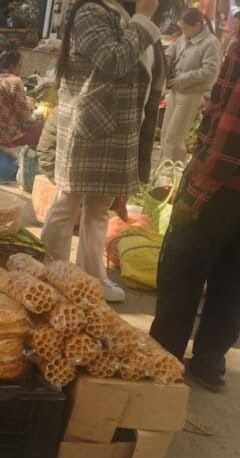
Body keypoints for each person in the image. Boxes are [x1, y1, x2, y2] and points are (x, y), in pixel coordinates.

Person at [40, 0, 163, 304]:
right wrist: (143, 19)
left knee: (98, 210)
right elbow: (114, 60)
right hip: (90, 125)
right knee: (67, 202)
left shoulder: (119, 14)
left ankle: (91, 278)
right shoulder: (90, 12)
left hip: (117, 127)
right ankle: (50, 272)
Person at [149, 38, 240, 392]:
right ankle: (209, 363)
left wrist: (197, 190)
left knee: (181, 269)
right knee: (232, 279)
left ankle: (164, 360)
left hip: (221, 187)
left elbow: (231, 132)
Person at [160, 8, 220, 164]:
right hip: (175, 91)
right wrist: (168, 56)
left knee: (175, 135)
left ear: (198, 25)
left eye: (186, 28)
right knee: (165, 133)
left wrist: (184, 79)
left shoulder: (211, 43)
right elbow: (175, 47)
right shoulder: (185, 36)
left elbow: (210, 71)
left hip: (191, 94)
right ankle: (163, 168)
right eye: (182, 29)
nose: (184, 32)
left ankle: (170, 170)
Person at [0, 50, 43, 148]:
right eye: (19, 66)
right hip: (4, 136)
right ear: (12, 66)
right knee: (41, 127)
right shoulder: (15, 82)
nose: (20, 69)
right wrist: (30, 105)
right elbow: (24, 116)